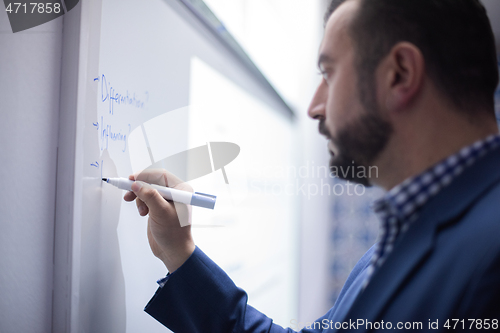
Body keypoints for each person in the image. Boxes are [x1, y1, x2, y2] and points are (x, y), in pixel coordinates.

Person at [124, 0, 500, 331]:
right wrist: (181, 253)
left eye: (329, 74)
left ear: (399, 73)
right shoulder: (403, 231)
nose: (314, 107)